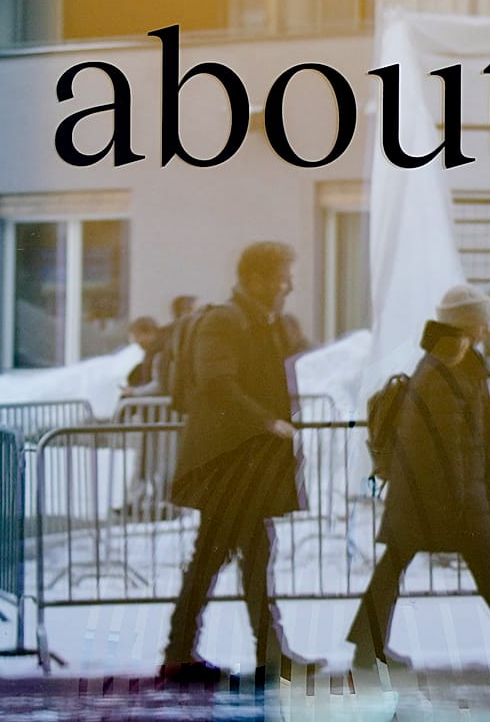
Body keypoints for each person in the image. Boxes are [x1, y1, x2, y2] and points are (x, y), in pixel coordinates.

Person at [347, 284, 490, 671]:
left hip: (433, 493)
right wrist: (462, 498)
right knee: (473, 564)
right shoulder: (446, 368)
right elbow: (448, 445)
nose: (487, 328)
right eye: (483, 320)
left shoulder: (450, 362)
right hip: (444, 495)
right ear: (470, 323)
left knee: (419, 565)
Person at [160, 242, 322, 683]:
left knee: (248, 558)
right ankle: (182, 655)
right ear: (255, 279)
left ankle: (263, 655)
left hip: (244, 468)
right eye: (281, 277)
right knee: (214, 560)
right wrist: (268, 421)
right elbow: (217, 383)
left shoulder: (260, 322)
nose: (288, 286)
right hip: (227, 467)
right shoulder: (224, 321)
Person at [121, 316, 164, 398]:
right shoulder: (152, 354)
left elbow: (159, 385)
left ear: (150, 333)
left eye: (137, 336)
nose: (136, 341)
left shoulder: (159, 354)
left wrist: (134, 392)